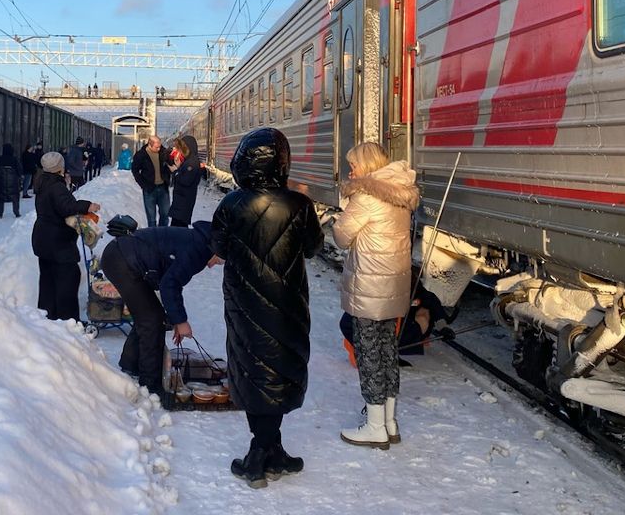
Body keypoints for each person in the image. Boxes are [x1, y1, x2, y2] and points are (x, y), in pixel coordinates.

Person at [211, 127, 323, 488]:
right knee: (279, 368)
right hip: (288, 301)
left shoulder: (230, 204)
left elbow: (220, 248)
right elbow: (313, 248)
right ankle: (269, 450)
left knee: (251, 366)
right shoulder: (299, 204)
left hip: (244, 300)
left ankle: (261, 454)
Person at [331, 142, 420, 449]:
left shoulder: (366, 197)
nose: (351, 170)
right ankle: (390, 423)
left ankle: (374, 427)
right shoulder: (399, 193)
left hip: (369, 289)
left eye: (354, 164)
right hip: (394, 286)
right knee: (387, 353)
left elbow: (341, 237)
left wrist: (338, 217)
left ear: (367, 166)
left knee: (369, 355)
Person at [100, 221, 220, 394]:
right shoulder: (198, 250)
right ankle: (150, 385)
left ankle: (130, 365)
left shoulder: (199, 241)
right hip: (122, 260)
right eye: (218, 260)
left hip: (120, 255)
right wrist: (181, 321)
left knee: (149, 314)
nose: (214, 264)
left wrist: (176, 319)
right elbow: (169, 284)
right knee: (152, 320)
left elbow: (173, 282)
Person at [32, 152, 100, 320]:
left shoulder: (43, 182)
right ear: (59, 168)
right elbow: (66, 207)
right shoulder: (56, 186)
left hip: (43, 238)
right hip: (58, 241)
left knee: (48, 282)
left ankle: (49, 318)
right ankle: (68, 321)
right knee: (68, 280)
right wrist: (88, 206)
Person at [131, 136, 172, 227]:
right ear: (150, 145)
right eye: (156, 147)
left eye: (160, 146)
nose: (159, 148)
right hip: (149, 189)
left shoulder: (163, 152)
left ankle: (162, 234)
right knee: (151, 218)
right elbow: (135, 170)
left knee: (165, 214)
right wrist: (143, 185)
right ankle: (153, 237)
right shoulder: (141, 155)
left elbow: (170, 164)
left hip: (163, 188)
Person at [167, 135, 202, 228]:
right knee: (179, 227)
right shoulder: (189, 160)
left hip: (184, 200)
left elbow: (186, 180)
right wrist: (179, 166)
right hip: (182, 200)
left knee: (178, 228)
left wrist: (175, 171)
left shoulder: (192, 162)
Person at [0, 143, 22, 218]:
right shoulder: (15, 159)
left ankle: (0, 214)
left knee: (0, 199)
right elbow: (20, 171)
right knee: (15, 198)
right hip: (13, 184)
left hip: (1, 183)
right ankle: (16, 212)